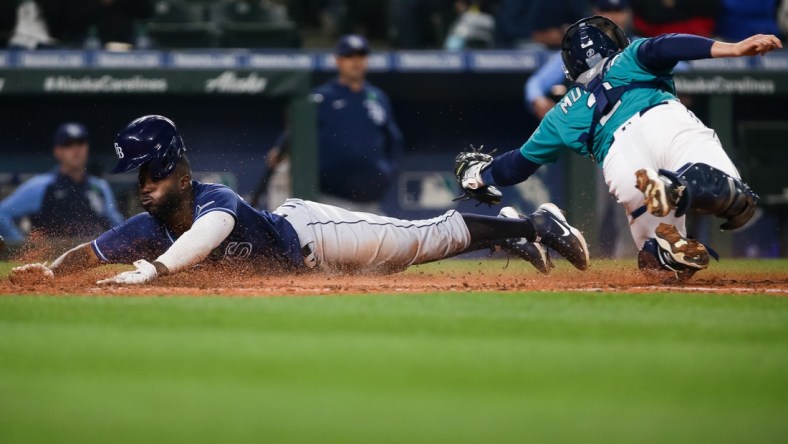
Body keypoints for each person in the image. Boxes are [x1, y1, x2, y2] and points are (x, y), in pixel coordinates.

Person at [9, 115, 590, 285]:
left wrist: (157, 270)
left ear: (178, 173)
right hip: (308, 267)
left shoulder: (216, 199)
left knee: (421, 240)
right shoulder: (146, 224)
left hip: (313, 234)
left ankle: (534, 223)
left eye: (151, 177)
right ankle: (509, 231)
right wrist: (50, 270)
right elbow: (91, 251)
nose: (142, 187)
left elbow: (206, 237)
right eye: (139, 179)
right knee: (417, 256)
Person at [453, 16, 782, 280]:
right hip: (663, 122)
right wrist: (733, 49)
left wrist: (478, 176)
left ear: (571, 67)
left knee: (663, 266)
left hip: (622, 165)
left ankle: (662, 241)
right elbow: (667, 45)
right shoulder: (629, 56)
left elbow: (516, 166)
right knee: (738, 200)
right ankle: (677, 186)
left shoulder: (560, 113)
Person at [253, 34, 403, 214]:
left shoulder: (378, 97)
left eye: (361, 55)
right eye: (349, 56)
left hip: (371, 202)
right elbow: (296, 131)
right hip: (330, 201)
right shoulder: (321, 97)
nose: (355, 61)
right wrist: (280, 148)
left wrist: (387, 173)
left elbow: (393, 140)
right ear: (338, 60)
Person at [0, 122, 125, 245]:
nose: (76, 149)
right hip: (51, 261)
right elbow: (2, 213)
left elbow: (118, 225)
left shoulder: (99, 186)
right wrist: (21, 246)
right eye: (68, 144)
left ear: (87, 147)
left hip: (92, 260)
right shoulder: (41, 186)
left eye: (81, 143)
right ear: (58, 151)